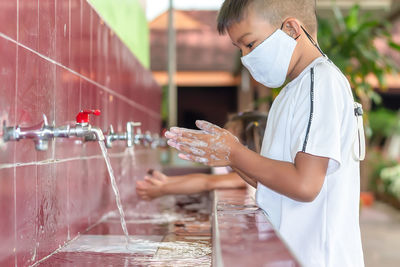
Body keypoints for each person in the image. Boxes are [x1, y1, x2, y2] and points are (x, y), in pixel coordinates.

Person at [164, 1, 366, 266]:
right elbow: (276, 185)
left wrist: (234, 153)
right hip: (293, 253)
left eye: (250, 44)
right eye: (240, 49)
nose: (246, 58)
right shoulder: (292, 91)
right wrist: (231, 157)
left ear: (292, 29)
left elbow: (304, 186)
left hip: (317, 258)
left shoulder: (320, 82)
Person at [136, 111, 267, 201]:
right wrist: (166, 181)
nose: (218, 144)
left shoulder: (253, 176)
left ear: (247, 145)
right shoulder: (250, 174)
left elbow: (208, 182)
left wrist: (163, 189)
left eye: (227, 141)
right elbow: (207, 179)